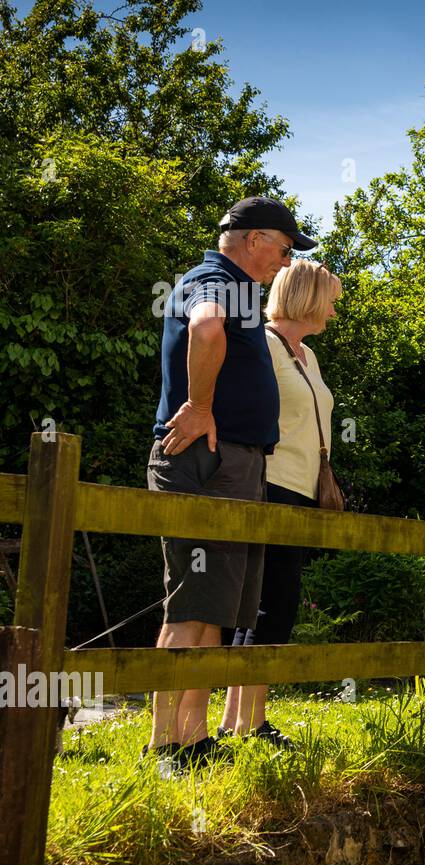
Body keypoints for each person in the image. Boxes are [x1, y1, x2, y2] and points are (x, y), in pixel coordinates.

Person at [144, 197, 317, 771]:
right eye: (284, 249)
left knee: (215, 611)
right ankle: (167, 744)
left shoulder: (235, 285)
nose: (284, 262)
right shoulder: (220, 280)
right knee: (189, 608)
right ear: (253, 240)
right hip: (207, 462)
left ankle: (193, 740)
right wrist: (197, 406)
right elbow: (205, 326)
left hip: (232, 463)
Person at [218, 260, 341, 747]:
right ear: (308, 297)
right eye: (330, 298)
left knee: (274, 605)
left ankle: (241, 721)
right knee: (268, 605)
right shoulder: (263, 345)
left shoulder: (308, 356)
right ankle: (246, 722)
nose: (334, 309)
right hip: (269, 486)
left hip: (303, 490)